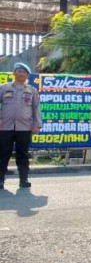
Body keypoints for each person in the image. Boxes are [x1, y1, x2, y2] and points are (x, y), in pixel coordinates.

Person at [0, 62, 42, 192]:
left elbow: (36, 109)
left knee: (23, 154)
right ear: (14, 73)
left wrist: (36, 125)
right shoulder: (4, 88)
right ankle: (0, 180)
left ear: (27, 76)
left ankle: (23, 180)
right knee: (3, 154)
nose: (21, 74)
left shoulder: (32, 91)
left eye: (24, 72)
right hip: (5, 127)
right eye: (19, 71)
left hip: (24, 128)